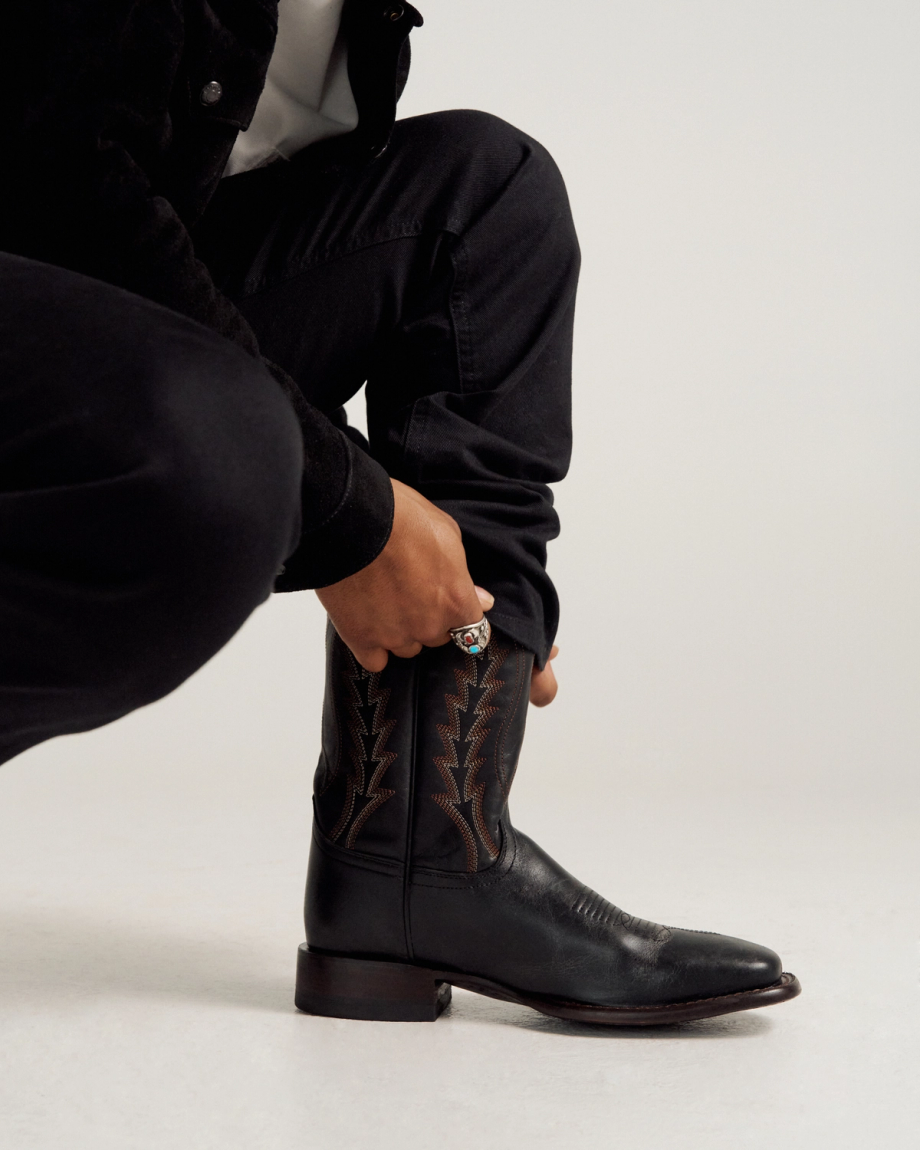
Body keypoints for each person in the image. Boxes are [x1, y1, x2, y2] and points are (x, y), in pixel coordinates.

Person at [0, 0, 799, 1025]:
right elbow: (58, 184)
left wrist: (468, 599)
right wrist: (351, 510)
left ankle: (423, 863)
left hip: (94, 299)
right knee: (230, 466)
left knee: (483, 199)